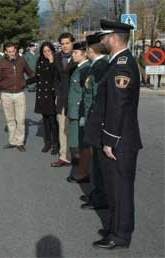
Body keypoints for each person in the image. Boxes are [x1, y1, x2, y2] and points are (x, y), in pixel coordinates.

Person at [90, 19, 142, 250]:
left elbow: (117, 107)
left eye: (103, 36)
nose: (101, 40)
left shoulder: (121, 65)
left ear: (113, 38)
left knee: (120, 189)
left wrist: (110, 141)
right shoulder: (118, 62)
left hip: (119, 140)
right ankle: (116, 226)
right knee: (114, 188)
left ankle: (120, 235)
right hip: (118, 138)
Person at [80, 32, 109, 210]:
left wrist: (92, 119)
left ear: (90, 49)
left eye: (86, 49)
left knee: (100, 163)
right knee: (96, 162)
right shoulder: (95, 65)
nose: (86, 52)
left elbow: (98, 97)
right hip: (93, 117)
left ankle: (102, 197)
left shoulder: (101, 67)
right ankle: (98, 193)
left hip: (97, 119)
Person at [0, 42, 35, 152]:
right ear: (6, 52)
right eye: (9, 51)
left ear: (15, 50)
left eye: (13, 51)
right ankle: (12, 141)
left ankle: (20, 142)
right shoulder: (1, 62)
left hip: (19, 94)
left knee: (20, 120)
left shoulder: (21, 60)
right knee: (10, 119)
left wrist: (33, 79)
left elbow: (30, 72)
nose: (12, 53)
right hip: (6, 95)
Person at [66, 41, 91, 183]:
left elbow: (85, 93)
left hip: (79, 111)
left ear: (84, 54)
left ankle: (83, 172)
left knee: (82, 144)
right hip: (74, 110)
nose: (73, 54)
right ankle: (81, 170)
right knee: (77, 143)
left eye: (76, 52)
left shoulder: (85, 69)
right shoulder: (78, 67)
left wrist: (82, 114)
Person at [51, 32, 77, 167]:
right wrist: (56, 94)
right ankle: (64, 157)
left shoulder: (79, 56)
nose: (65, 46)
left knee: (77, 129)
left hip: (76, 99)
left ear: (72, 43)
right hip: (61, 98)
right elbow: (55, 78)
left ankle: (79, 157)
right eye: (62, 44)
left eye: (67, 43)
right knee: (63, 128)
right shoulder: (57, 57)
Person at [33, 42, 59, 155]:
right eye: (44, 51)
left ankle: (56, 144)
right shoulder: (40, 61)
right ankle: (47, 142)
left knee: (53, 121)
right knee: (45, 120)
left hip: (51, 94)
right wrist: (23, 82)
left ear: (52, 51)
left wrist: (52, 61)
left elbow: (55, 76)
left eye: (49, 51)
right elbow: (37, 77)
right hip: (41, 94)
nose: (46, 53)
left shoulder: (56, 60)